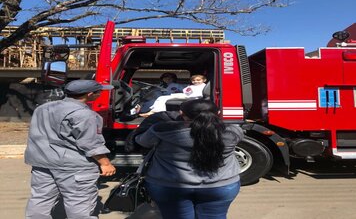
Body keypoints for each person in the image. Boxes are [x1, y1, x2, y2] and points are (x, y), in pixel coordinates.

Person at [135, 99, 243, 219]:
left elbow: (143, 142)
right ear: (218, 113)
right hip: (221, 185)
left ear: (182, 114)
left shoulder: (162, 130)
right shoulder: (233, 131)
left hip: (169, 185)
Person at [24, 80, 117, 219]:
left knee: (40, 200)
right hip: (73, 167)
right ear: (90, 94)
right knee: (79, 205)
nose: (100, 94)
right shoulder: (85, 115)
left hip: (42, 163)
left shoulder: (43, 108)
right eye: (99, 92)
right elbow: (91, 144)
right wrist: (105, 163)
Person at [139, 74, 207, 117]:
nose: (168, 79)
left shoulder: (177, 85)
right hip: (153, 99)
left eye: (170, 78)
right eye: (165, 78)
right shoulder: (159, 85)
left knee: (161, 98)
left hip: (186, 97)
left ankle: (157, 113)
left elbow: (187, 92)